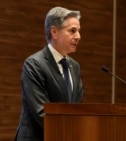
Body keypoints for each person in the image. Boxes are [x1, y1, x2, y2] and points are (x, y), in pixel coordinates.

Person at [15, 6, 84, 141]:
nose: (78, 36)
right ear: (54, 32)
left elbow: (77, 107)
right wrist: (68, 132)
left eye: (79, 31)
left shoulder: (74, 66)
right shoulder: (34, 64)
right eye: (72, 31)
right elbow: (41, 111)